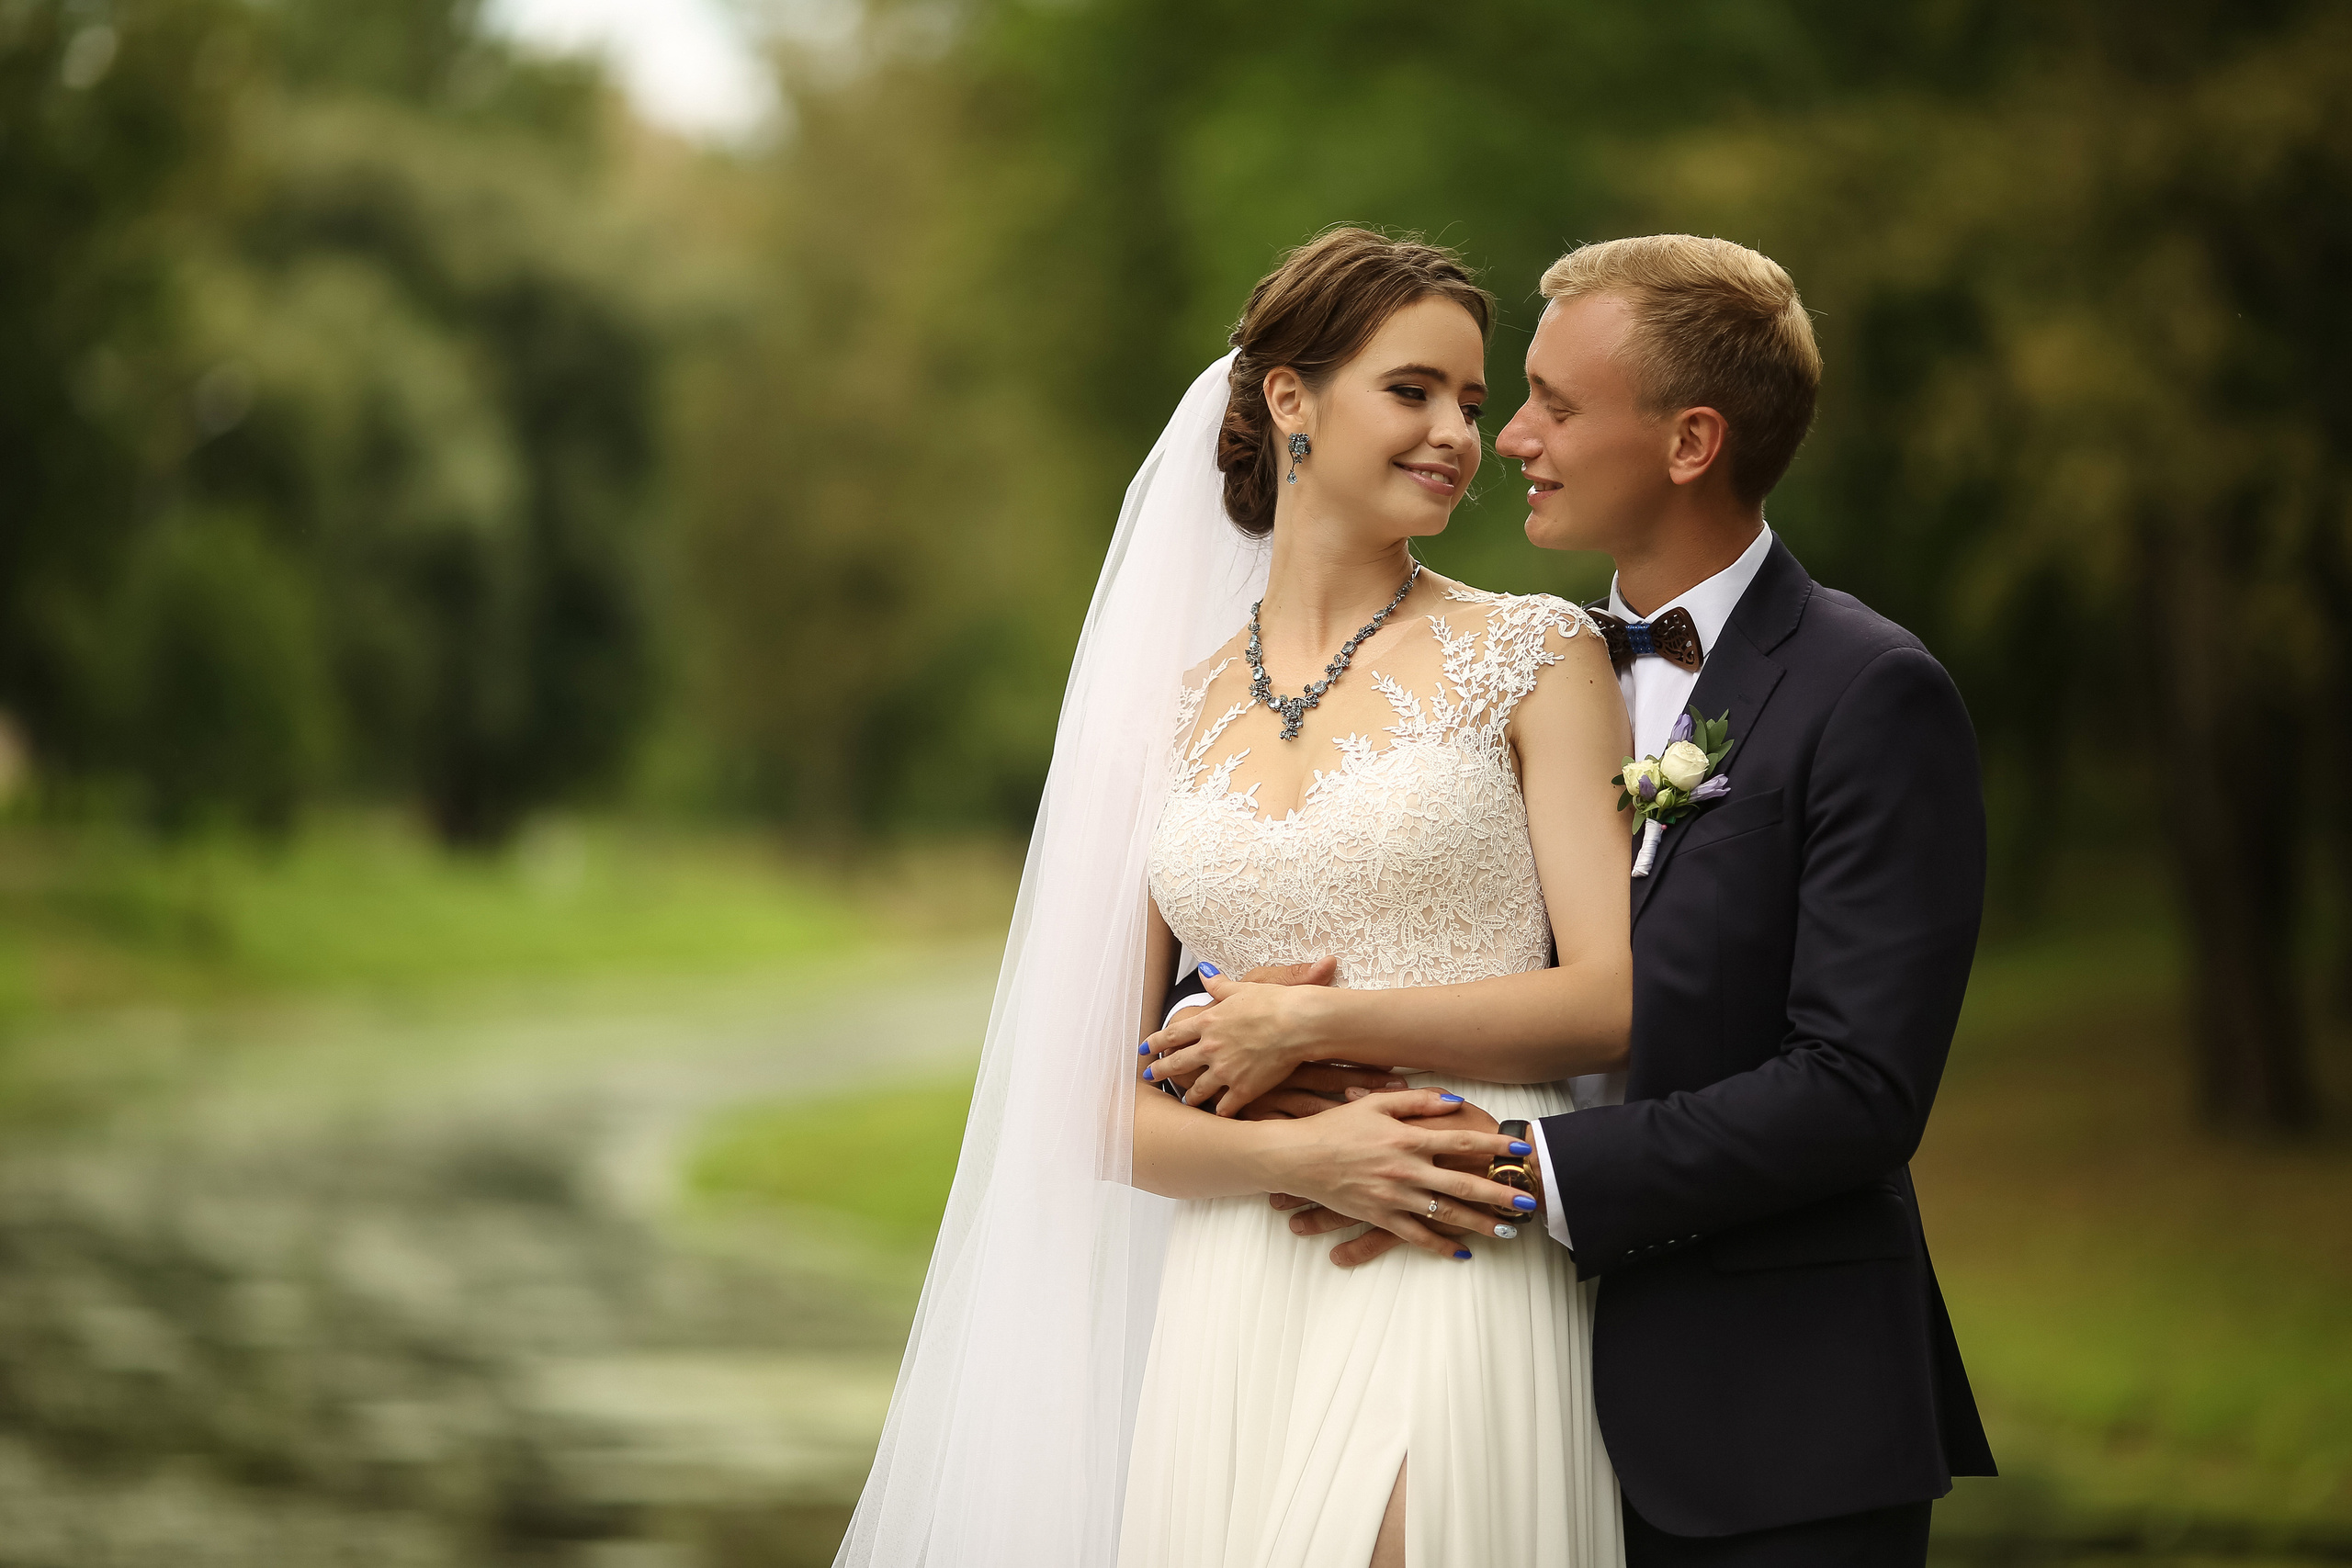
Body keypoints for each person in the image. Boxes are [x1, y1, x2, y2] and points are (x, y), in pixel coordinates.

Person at [1160, 234, 1997, 1567]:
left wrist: (1511, 1173)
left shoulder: (1868, 692)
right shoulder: (1516, 667)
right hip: (1488, 1338)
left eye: (1540, 403)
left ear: (1688, 442)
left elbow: (1856, 1087)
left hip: (1765, 1420)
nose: (1503, 440)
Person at [1115, 230, 1635, 1566]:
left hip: (1456, 1217)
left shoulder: (1536, 653)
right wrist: (1296, 1154)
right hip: (1241, 1271)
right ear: (1291, 398)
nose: (1461, 433)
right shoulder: (1165, 710)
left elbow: (1607, 999)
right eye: (1415, 391)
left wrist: (1306, 1034)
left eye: (1472, 401)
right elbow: (1097, 1114)